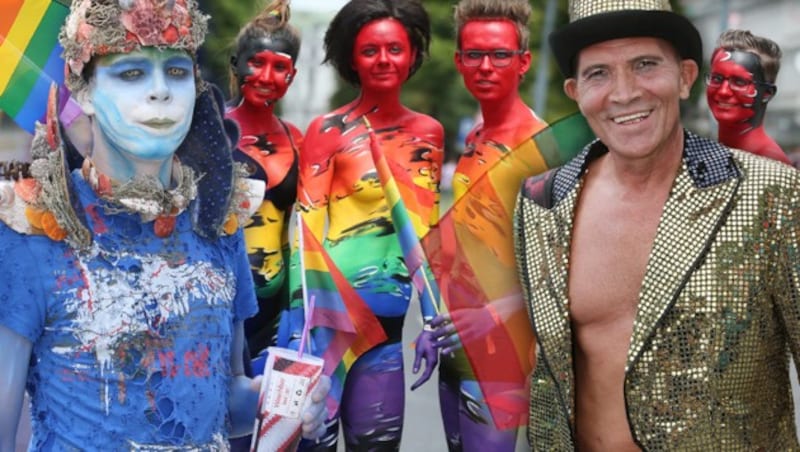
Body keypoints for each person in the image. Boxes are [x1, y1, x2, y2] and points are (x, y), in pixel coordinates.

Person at [0, 0, 328, 449]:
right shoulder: (35, 229)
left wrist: (287, 401)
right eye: (131, 73)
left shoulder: (219, 221)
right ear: (86, 92)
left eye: (176, 72)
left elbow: (222, 404)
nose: (161, 93)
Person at [516, 0, 800, 450]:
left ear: (686, 77)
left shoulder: (771, 193)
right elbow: (549, 374)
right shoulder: (543, 201)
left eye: (645, 65)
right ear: (575, 92)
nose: (624, 93)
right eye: (598, 74)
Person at [284, 0, 444, 449]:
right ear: (351, 58)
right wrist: (300, 331)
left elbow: (426, 236)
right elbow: (306, 236)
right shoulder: (328, 130)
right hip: (326, 328)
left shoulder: (428, 133)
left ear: (412, 54)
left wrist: (432, 321)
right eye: (369, 50)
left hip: (390, 330)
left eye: (395, 48)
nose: (383, 60)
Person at [420, 0, 546, 450]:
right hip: (457, 344)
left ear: (523, 62)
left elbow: (561, 270)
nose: (485, 66)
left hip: (503, 357)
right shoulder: (474, 141)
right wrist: (433, 324)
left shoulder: (539, 149)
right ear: (458, 61)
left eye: (500, 55)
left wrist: (490, 315)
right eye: (474, 54)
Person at [226, 0, 303, 374]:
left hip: (277, 312)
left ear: (293, 76)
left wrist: (300, 313)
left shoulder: (299, 140)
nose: (267, 76)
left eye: (281, 67)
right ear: (236, 63)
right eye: (257, 62)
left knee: (269, 425)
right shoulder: (209, 132)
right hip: (219, 310)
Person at [706, 29, 791, 164]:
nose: (723, 91)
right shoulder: (711, 154)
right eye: (716, 78)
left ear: (767, 93)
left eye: (739, 82)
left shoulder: (772, 164)